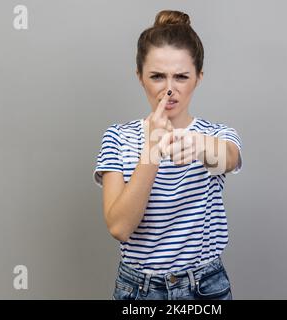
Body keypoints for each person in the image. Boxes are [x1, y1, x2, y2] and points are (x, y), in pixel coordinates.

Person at [93, 9, 243, 300]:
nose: (170, 90)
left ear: (198, 77)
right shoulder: (118, 138)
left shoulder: (216, 136)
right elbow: (120, 227)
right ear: (140, 77)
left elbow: (229, 158)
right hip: (139, 290)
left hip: (204, 287)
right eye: (157, 76)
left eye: (182, 76)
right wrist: (152, 151)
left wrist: (199, 145)